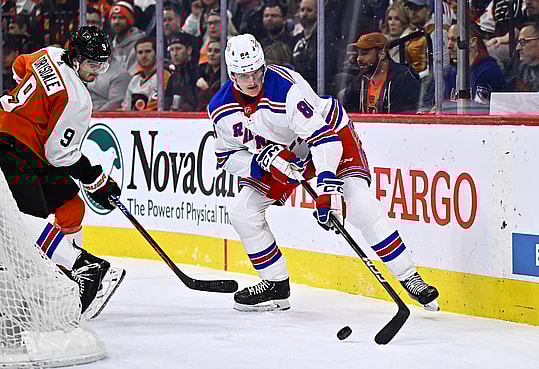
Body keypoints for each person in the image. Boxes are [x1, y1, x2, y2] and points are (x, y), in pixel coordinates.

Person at [208, 34, 439, 312]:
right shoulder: (220, 109)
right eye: (244, 75)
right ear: (231, 74)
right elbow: (227, 156)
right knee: (242, 211)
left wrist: (328, 190)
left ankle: (410, 277)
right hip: (285, 155)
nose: (252, 80)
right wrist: (261, 162)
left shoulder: (287, 88)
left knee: (360, 206)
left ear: (263, 66)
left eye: (256, 71)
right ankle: (275, 285)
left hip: (329, 136)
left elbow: (323, 140)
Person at [0, 26, 126, 318]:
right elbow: (60, 153)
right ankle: (73, 269)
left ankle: (71, 276)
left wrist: (31, 106)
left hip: (20, 144)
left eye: (103, 64)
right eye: (93, 64)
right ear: (77, 57)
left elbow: (19, 67)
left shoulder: (50, 53)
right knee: (22, 223)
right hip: (12, 149)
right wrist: (94, 176)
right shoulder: (77, 99)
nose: (97, 71)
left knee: (70, 205)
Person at [341, 32, 420, 113]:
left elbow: (403, 120)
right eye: (358, 54)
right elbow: (346, 108)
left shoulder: (403, 78)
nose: (359, 59)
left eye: (364, 53)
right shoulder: (362, 78)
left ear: (382, 54)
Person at [122, 36, 171, 111]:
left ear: (156, 53)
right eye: (140, 52)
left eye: (148, 51)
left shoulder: (163, 76)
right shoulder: (135, 80)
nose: (144, 56)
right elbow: (126, 107)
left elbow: (154, 107)